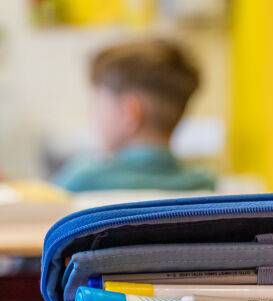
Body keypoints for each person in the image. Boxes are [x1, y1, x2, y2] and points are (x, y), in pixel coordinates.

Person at [54, 37, 216, 193]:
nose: (93, 115)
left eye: (97, 103)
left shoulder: (81, 182)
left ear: (129, 113)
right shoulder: (205, 183)